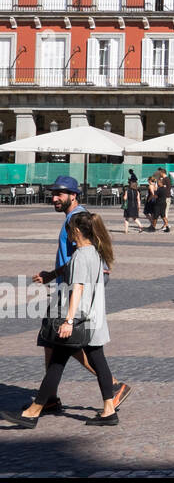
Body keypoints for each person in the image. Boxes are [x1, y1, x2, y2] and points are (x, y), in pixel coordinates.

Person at [3, 212, 122, 428]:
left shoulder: (80, 256)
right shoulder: (94, 252)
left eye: (69, 230)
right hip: (93, 320)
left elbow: (77, 288)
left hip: (78, 321)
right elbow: (70, 272)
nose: (67, 233)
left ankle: (33, 412)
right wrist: (50, 275)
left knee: (56, 363)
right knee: (99, 363)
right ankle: (109, 410)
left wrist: (68, 320)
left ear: (76, 231)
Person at [28, 178, 128, 417]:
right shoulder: (74, 218)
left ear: (73, 195)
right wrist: (52, 275)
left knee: (65, 341)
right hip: (68, 289)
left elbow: (83, 261)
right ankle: (50, 399)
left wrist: (72, 310)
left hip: (71, 294)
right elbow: (76, 261)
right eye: (53, 193)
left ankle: (113, 387)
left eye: (60, 194)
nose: (54, 198)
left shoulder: (77, 221)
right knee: (55, 342)